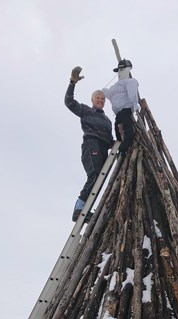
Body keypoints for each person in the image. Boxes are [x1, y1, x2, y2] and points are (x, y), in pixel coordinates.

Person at [65, 66, 114, 222]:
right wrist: (72, 82)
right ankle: (78, 209)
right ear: (92, 101)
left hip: (103, 149)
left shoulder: (107, 121)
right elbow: (69, 102)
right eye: (97, 99)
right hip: (91, 145)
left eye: (102, 99)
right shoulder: (86, 111)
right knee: (94, 175)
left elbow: (110, 139)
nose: (100, 101)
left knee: (99, 180)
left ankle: (86, 210)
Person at [102, 59, 139, 155]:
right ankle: (119, 143)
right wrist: (104, 91)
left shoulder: (129, 82)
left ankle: (125, 145)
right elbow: (110, 94)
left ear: (128, 70)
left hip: (126, 110)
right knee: (117, 128)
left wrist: (135, 104)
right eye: (118, 70)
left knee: (128, 128)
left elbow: (132, 94)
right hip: (118, 114)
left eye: (122, 70)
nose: (119, 73)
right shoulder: (115, 86)